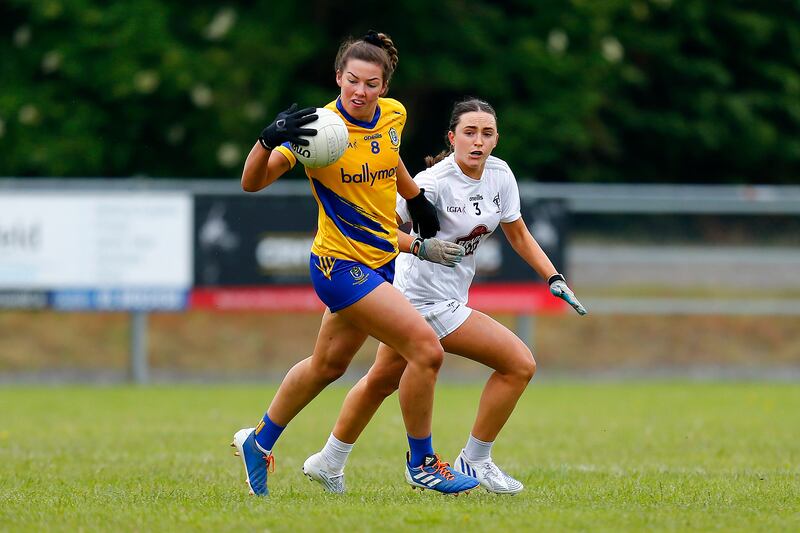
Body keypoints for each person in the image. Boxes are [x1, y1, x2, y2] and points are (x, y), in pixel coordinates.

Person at [232, 31, 479, 497]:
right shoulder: (317, 131)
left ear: (384, 86)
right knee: (426, 349)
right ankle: (422, 462)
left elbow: (388, 158)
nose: (360, 91)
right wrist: (266, 142)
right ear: (338, 78)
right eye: (351, 81)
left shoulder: (394, 115)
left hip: (379, 263)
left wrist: (414, 197)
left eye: (371, 83)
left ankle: (259, 441)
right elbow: (251, 182)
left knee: (327, 365)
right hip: (338, 267)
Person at [302, 98, 587, 495]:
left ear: (496, 139)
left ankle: (328, 460)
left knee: (381, 381)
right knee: (518, 363)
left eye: (487, 133)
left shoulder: (501, 176)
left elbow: (518, 235)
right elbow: (382, 230)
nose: (478, 141)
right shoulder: (433, 182)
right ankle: (475, 459)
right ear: (452, 138)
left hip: (446, 296)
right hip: (419, 298)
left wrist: (553, 277)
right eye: (469, 133)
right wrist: (420, 246)